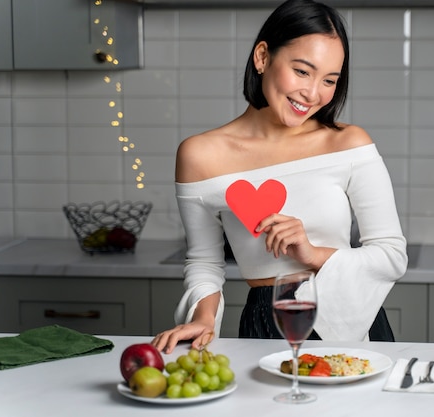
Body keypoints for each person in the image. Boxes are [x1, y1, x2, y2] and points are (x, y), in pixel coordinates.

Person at [152, 0, 408, 354]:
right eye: (303, 71)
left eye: (329, 80)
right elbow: (204, 261)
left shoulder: (349, 143)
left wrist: (314, 254)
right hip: (266, 323)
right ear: (262, 57)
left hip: (353, 321)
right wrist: (204, 318)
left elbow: (392, 255)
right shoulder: (200, 155)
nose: (313, 93)